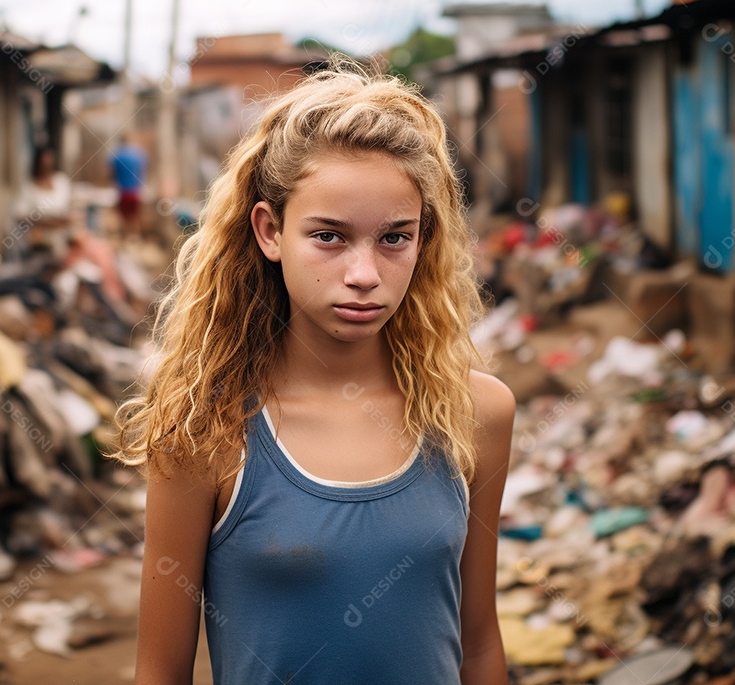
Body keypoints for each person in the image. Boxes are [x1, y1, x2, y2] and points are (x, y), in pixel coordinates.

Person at [112, 60, 514, 684]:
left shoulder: (476, 414)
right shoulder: (208, 430)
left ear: (423, 239)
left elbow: (480, 643)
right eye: (329, 237)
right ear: (270, 232)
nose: (363, 274)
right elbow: (160, 672)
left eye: (394, 238)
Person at [15, 145, 74, 255]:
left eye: (50, 159)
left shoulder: (61, 181)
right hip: (40, 239)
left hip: (63, 235)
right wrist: (45, 222)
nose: (47, 163)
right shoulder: (29, 188)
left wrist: (65, 220)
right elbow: (19, 215)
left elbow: (69, 208)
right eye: (44, 160)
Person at [112, 137, 147, 240]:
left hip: (123, 191)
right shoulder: (138, 155)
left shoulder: (117, 156)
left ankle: (126, 237)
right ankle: (135, 236)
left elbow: (113, 174)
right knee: (135, 216)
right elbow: (142, 171)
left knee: (124, 217)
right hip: (135, 190)